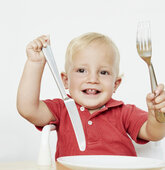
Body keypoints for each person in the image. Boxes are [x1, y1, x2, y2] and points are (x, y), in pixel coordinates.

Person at [17, 32, 165, 160]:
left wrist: (157, 114)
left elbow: (154, 133)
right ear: (66, 80)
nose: (92, 79)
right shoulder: (62, 109)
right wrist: (35, 63)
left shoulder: (124, 111)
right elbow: (28, 109)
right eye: (82, 70)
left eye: (103, 72)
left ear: (116, 84)